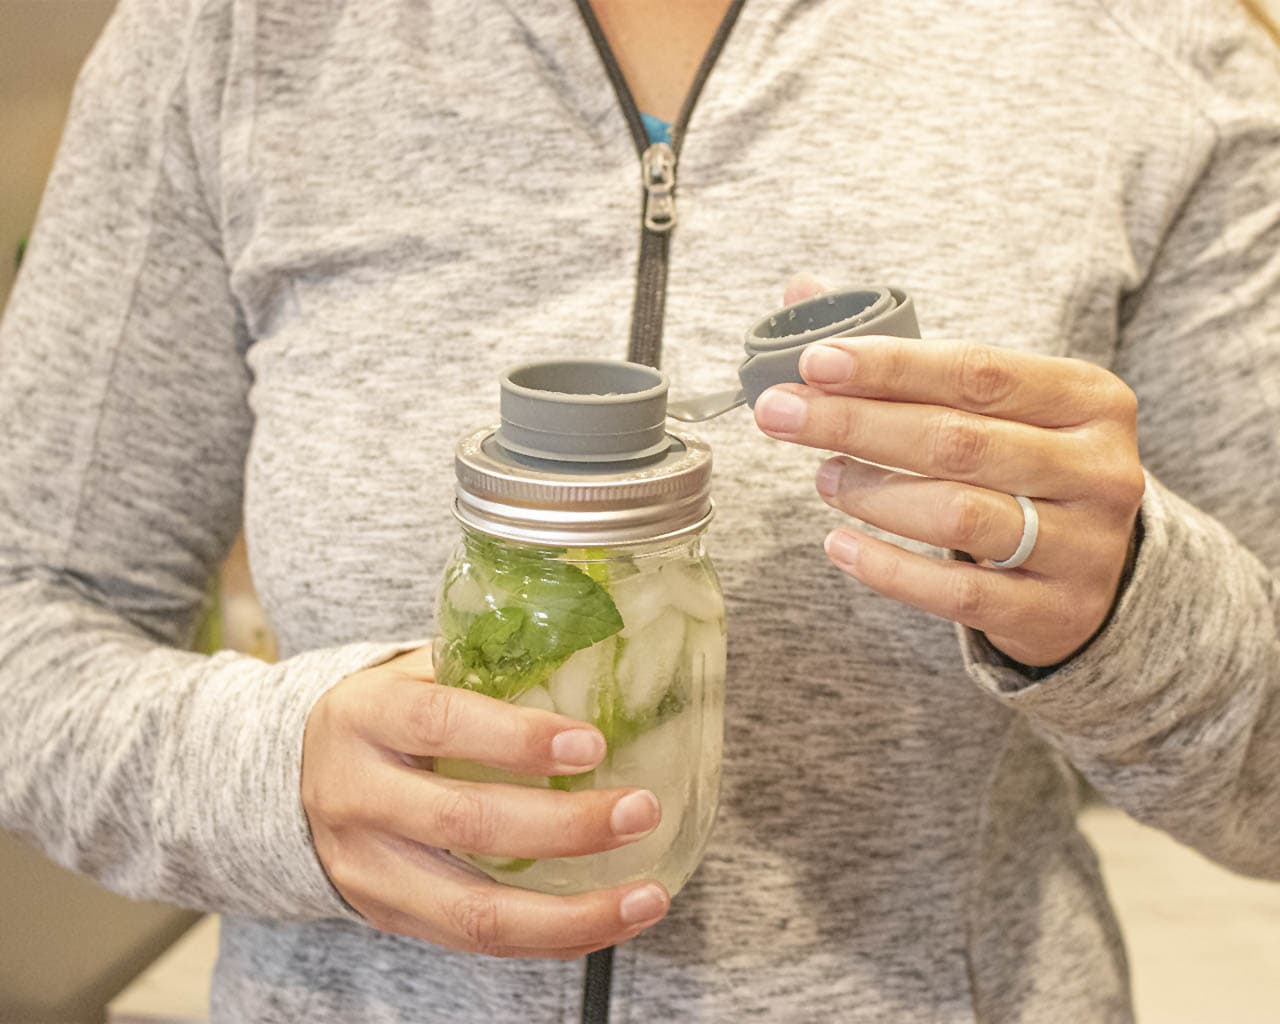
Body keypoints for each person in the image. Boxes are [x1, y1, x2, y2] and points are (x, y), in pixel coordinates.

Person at [2, 0, 1277, 1020]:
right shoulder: (226, 37)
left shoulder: (1151, 54)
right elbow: (26, 618)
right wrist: (271, 777)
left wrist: (1128, 606)